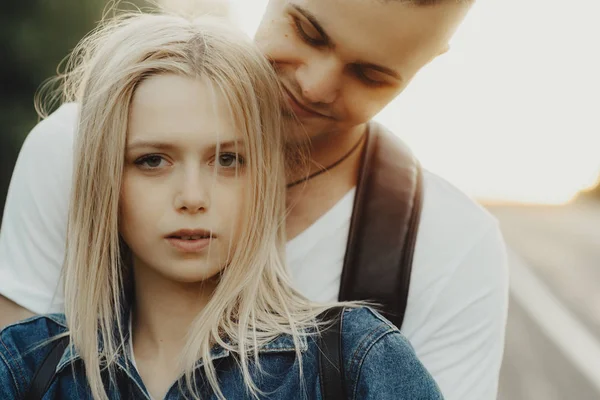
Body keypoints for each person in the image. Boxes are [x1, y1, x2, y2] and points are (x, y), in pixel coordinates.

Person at [0, 1, 509, 399]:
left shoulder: (448, 248)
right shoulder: (71, 146)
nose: (314, 85)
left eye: (370, 74)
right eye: (308, 32)